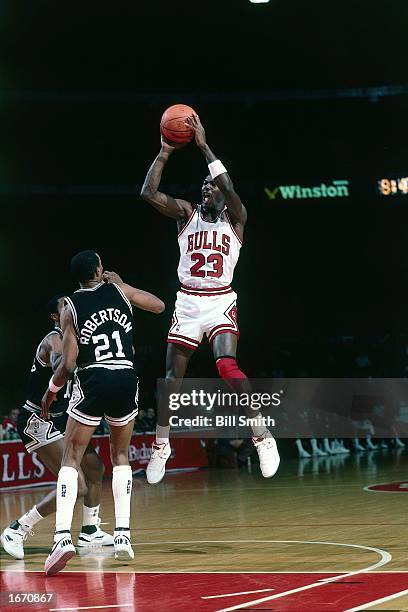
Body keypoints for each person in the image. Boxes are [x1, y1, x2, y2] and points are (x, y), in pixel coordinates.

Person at [141, 113, 280, 484]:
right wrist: (165, 152)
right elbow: (148, 194)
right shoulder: (186, 214)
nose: (206, 188)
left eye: (211, 185)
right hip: (187, 303)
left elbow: (230, 189)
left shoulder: (236, 218)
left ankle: (261, 436)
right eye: (203, 185)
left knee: (227, 367)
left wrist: (203, 147)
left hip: (220, 300)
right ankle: (161, 446)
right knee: (171, 380)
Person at [41, 251, 164, 576]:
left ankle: (62, 538)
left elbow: (68, 363)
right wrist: (121, 283)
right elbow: (158, 306)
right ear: (99, 269)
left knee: (72, 456)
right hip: (125, 375)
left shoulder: (69, 306)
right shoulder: (120, 291)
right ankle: (123, 534)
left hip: (94, 376)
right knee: (120, 454)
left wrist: (52, 391)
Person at [1, 295, 113, 560]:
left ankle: (90, 530)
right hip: (37, 419)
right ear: (55, 316)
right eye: (65, 306)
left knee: (96, 468)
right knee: (78, 484)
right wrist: (71, 365)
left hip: (62, 418)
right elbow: (57, 362)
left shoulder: (76, 339)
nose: (71, 308)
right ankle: (17, 529)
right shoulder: (54, 339)